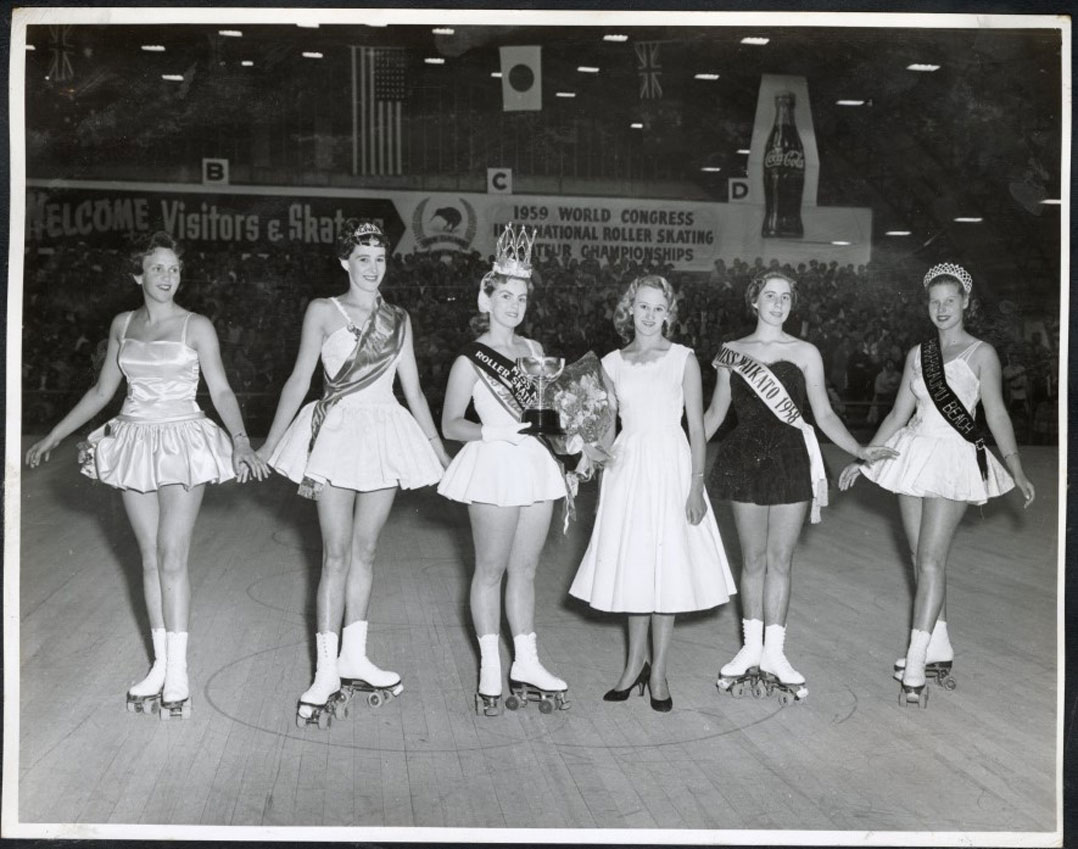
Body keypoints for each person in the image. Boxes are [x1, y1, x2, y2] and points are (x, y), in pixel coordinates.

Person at [25, 230, 269, 720]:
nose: (167, 277)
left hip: (182, 440)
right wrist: (55, 434)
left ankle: (178, 671)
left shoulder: (197, 325)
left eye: (174, 269)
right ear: (138, 274)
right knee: (150, 559)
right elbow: (101, 393)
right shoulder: (123, 324)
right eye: (157, 268)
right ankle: (160, 665)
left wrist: (242, 441)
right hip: (134, 441)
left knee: (173, 556)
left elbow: (220, 391)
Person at [256, 220, 449, 727]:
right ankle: (324, 671)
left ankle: (355, 655)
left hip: (384, 433)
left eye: (380, 259)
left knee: (366, 550)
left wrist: (439, 452)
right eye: (363, 259)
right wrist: (269, 446)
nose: (372, 268)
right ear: (345, 262)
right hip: (336, 437)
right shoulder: (322, 311)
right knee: (335, 554)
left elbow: (414, 389)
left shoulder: (398, 319)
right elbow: (299, 380)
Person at [839, 262, 1035, 707]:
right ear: (927, 305)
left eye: (951, 301)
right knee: (919, 558)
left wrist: (1016, 467)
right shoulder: (917, 353)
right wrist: (862, 456)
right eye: (935, 302)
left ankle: (914, 662)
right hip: (913, 452)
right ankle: (939, 644)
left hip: (952, 457)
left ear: (966, 302)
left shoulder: (982, 353)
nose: (942, 309)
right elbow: (896, 415)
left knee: (930, 558)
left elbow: (997, 414)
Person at [704, 270, 897, 703]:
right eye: (770, 295)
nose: (778, 303)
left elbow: (825, 415)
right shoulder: (731, 352)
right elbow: (715, 414)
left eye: (786, 297)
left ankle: (775, 652)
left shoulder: (807, 351)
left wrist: (860, 450)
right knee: (752, 559)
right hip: (744, 460)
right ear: (754, 300)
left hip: (792, 459)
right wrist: (680, 449)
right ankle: (750, 648)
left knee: (781, 560)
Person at [569, 275, 735, 712]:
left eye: (657, 308)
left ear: (668, 313)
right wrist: (584, 456)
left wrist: (697, 486)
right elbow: (606, 427)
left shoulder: (683, 359)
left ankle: (658, 671)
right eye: (641, 306)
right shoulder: (610, 362)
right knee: (636, 567)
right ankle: (632, 666)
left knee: (668, 567)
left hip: (673, 467)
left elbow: (697, 428)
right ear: (630, 309)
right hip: (628, 469)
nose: (648, 315)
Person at [438, 223, 569, 717]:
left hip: (535, 465)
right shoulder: (468, 360)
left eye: (521, 298)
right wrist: (492, 433)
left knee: (527, 570)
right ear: (486, 298)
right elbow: (451, 424)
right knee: (490, 570)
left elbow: (548, 409)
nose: (514, 306)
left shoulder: (535, 353)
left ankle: (527, 663)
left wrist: (568, 441)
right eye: (505, 296)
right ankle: (491, 664)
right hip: (494, 462)